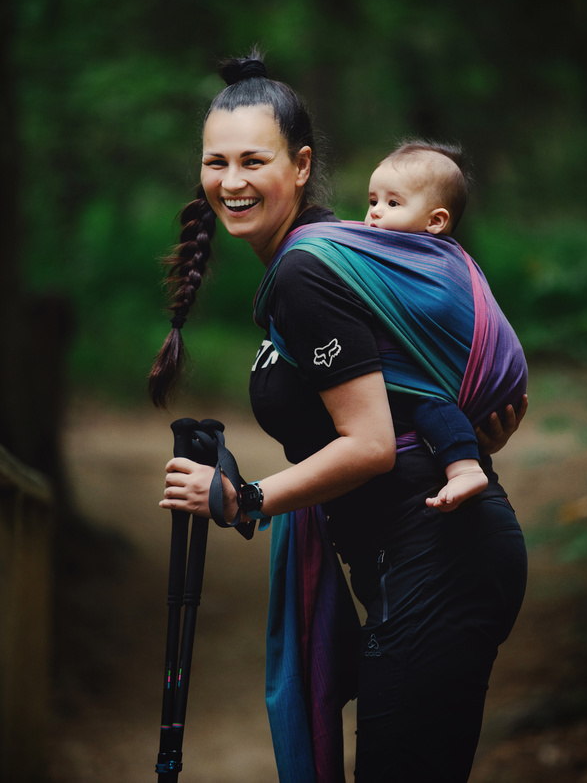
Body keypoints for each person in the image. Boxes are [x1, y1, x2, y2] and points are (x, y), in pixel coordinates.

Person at [149, 53, 528, 783]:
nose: (231, 182)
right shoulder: (332, 258)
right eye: (215, 162)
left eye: (253, 160)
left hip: (437, 560)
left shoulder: (307, 270)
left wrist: (245, 498)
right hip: (427, 556)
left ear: (300, 166)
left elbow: (372, 444)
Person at [363, 140, 495, 511]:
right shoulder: (381, 249)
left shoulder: (431, 261)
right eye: (373, 201)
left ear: (435, 221)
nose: (374, 213)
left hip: (432, 380)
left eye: (392, 203)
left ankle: (465, 468)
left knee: (428, 405)